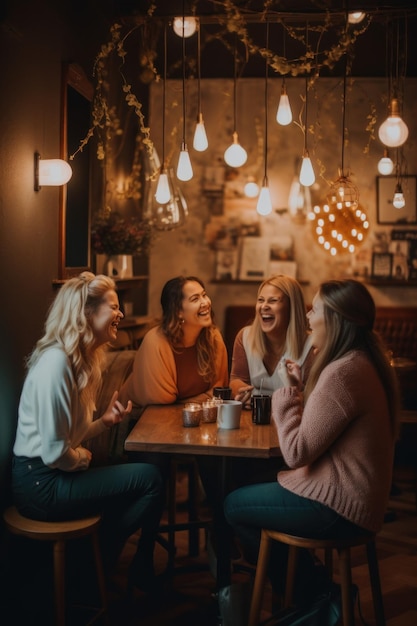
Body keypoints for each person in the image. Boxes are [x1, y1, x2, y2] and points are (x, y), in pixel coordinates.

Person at [224, 279, 400, 611]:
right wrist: (298, 386)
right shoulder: (361, 360)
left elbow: (296, 452)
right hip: (355, 496)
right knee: (252, 486)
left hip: (339, 505)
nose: (307, 318)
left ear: (334, 318)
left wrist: (286, 395)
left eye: (314, 310)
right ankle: (309, 589)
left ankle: (313, 596)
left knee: (233, 505)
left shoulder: (343, 372)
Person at [12, 272, 165, 593]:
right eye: (113, 306)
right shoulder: (56, 364)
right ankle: (91, 564)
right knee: (150, 479)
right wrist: (81, 459)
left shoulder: (76, 361)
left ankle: (91, 564)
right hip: (40, 484)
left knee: (139, 478)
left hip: (50, 474)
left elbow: (68, 435)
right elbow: (57, 452)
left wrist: (104, 422)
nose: (121, 314)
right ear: (85, 315)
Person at [120, 275, 229, 407]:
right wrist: (202, 401)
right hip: (137, 418)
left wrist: (191, 405)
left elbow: (219, 390)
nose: (205, 303)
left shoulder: (213, 337)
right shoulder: (156, 341)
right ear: (178, 311)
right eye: (195, 299)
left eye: (204, 295)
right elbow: (161, 401)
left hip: (191, 416)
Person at [229, 274, 314, 407]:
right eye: (260, 300)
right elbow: (236, 380)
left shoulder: (313, 344)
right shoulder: (244, 336)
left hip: (292, 421)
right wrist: (241, 391)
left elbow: (313, 399)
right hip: (253, 419)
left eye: (273, 300)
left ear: (291, 307)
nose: (264, 306)